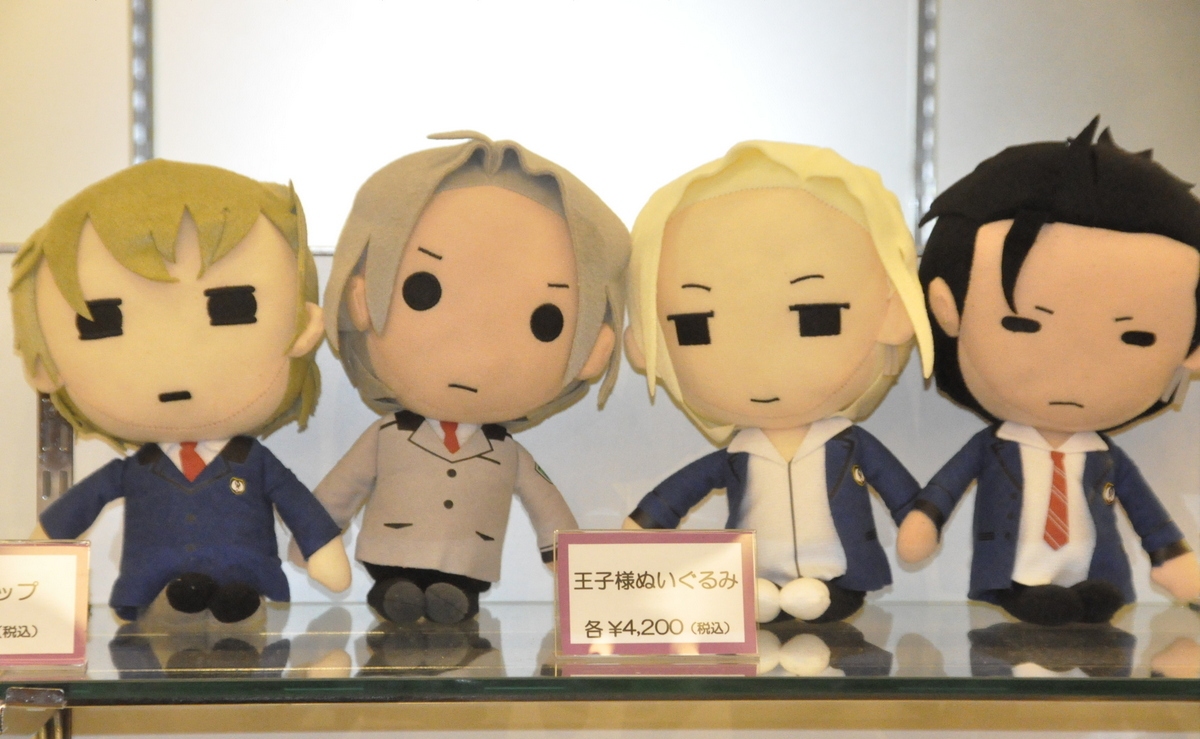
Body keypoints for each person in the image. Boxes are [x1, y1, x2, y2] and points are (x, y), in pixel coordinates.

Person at [13, 160, 350, 623]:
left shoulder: (254, 462)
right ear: (46, 364)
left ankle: (236, 594)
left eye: (231, 307)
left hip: (246, 595)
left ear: (304, 327)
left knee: (238, 605)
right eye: (102, 320)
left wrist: (321, 547)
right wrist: (39, 551)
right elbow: (80, 505)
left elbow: (298, 506)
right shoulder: (135, 470)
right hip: (152, 594)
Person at [314, 132, 629, 625]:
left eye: (544, 322)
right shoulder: (387, 436)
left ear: (594, 352)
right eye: (422, 290)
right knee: (399, 595)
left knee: (453, 601)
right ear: (362, 298)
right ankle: (398, 595)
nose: (476, 354)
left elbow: (546, 503)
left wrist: (565, 554)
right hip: (390, 553)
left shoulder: (507, 452)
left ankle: (449, 601)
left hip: (468, 564)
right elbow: (344, 485)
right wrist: (316, 535)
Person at [897, 118, 1200, 625]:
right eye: (1022, 323)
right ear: (948, 311)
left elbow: (1146, 512)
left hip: (1098, 572)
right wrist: (926, 519)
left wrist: (1171, 557)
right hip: (1017, 573)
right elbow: (945, 489)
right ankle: (1028, 593)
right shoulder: (993, 447)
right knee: (1041, 612)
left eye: (1136, 337)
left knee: (1094, 606)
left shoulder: (1105, 457)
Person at [623, 141, 933, 624]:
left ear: (894, 315)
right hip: (752, 578)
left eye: (816, 316)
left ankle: (812, 593)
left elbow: (900, 492)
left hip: (837, 574)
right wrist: (646, 523)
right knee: (763, 602)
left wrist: (917, 518)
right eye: (694, 326)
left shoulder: (849, 444)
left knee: (815, 602)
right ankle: (766, 593)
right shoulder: (738, 453)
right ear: (649, 346)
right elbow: (681, 491)